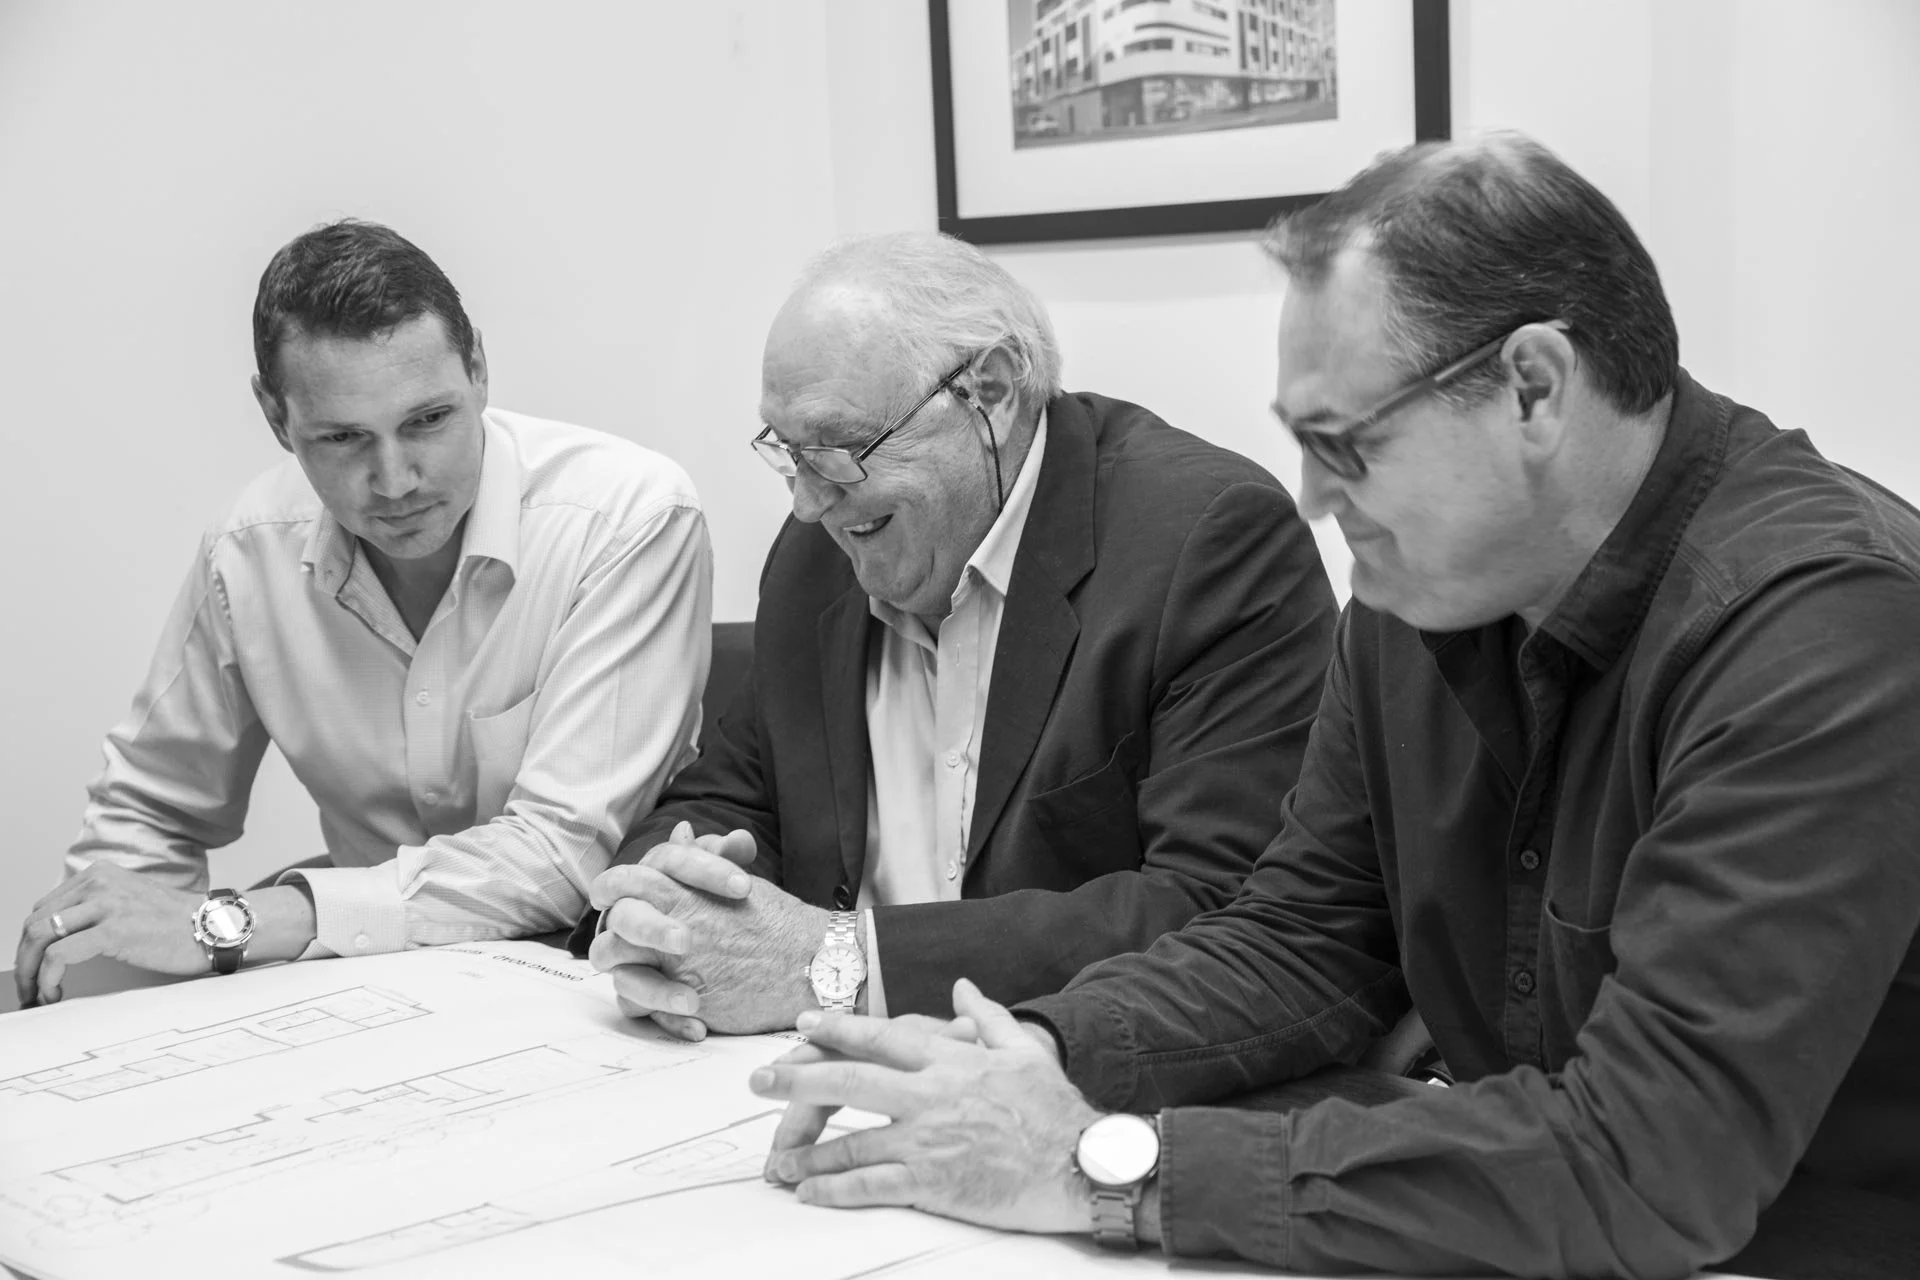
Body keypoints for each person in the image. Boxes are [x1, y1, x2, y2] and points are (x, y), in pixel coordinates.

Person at [746, 135, 1920, 1278]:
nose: (1311, 496)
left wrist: (1105, 1165)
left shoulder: (1822, 629)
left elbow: (1655, 1156)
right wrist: (1024, 1054)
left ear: (1533, 387)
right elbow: (1300, 939)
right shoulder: (1424, 589)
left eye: (1343, 444)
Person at [579, 231, 1337, 1039]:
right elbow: (729, 793)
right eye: (789, 451)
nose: (807, 502)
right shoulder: (819, 557)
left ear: (992, 392)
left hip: (1067, 1066)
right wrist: (664, 903)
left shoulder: (1202, 542)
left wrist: (835, 966)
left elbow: (1218, 907)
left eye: (838, 447)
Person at [14, 220, 712, 1006]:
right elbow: (148, 811)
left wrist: (236, 923)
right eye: (343, 438)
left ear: (479, 370)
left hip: (593, 979)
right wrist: (119, 984)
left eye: (429, 420)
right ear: (276, 418)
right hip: (360, 990)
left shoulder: (626, 518)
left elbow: (560, 858)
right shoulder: (248, 550)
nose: (396, 479)